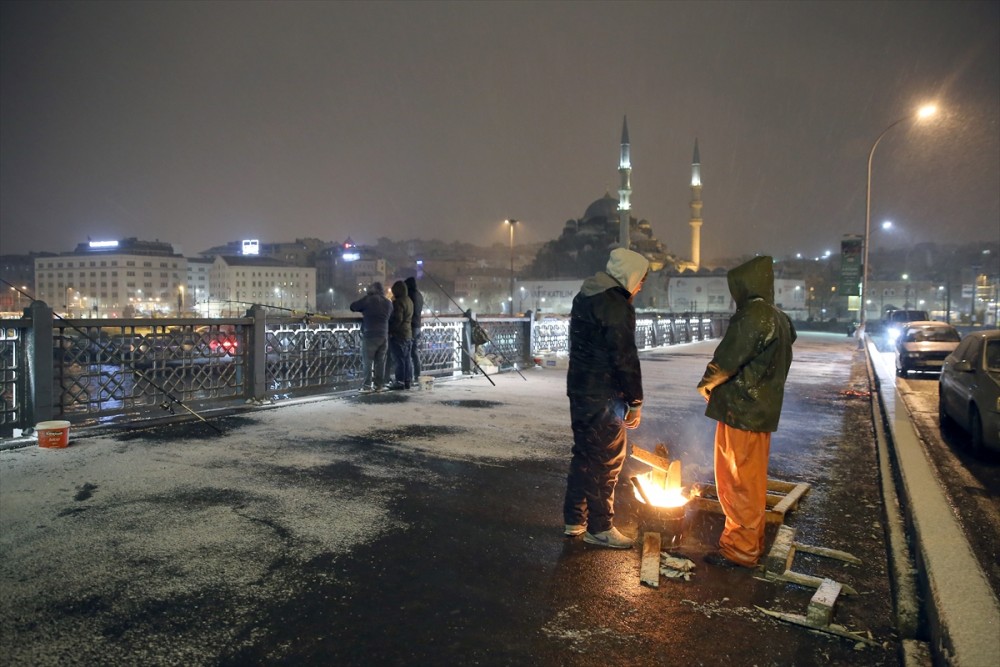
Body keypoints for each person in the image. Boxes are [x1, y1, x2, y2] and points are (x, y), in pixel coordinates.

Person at [696, 255, 796, 568]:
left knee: (736, 481)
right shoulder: (778, 317)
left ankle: (740, 550)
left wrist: (706, 383)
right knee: (749, 481)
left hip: (742, 411)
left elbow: (727, 359)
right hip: (760, 411)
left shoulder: (754, 315)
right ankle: (747, 543)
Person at [563, 247, 649, 549]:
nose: (639, 287)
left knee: (585, 453)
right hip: (604, 394)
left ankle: (575, 518)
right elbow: (624, 357)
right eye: (640, 280)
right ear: (630, 275)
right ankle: (600, 527)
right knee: (606, 460)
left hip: (581, 387)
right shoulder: (615, 304)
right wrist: (634, 400)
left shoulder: (586, 295)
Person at [350, 282, 392, 392]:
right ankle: (379, 385)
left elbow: (353, 306)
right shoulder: (388, 303)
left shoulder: (368, 299)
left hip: (370, 335)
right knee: (380, 362)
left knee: (367, 362)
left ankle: (367, 386)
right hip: (384, 335)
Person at [388, 280, 414, 390]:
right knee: (407, 358)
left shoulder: (398, 302)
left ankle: (399, 382)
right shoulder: (409, 301)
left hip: (399, 335)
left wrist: (391, 330)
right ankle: (407, 380)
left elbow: (397, 319)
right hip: (408, 333)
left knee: (399, 359)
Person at [405, 276, 424, 378]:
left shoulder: (410, 295)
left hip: (411, 326)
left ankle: (410, 376)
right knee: (414, 351)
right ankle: (417, 374)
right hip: (418, 325)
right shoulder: (419, 295)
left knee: (408, 351)